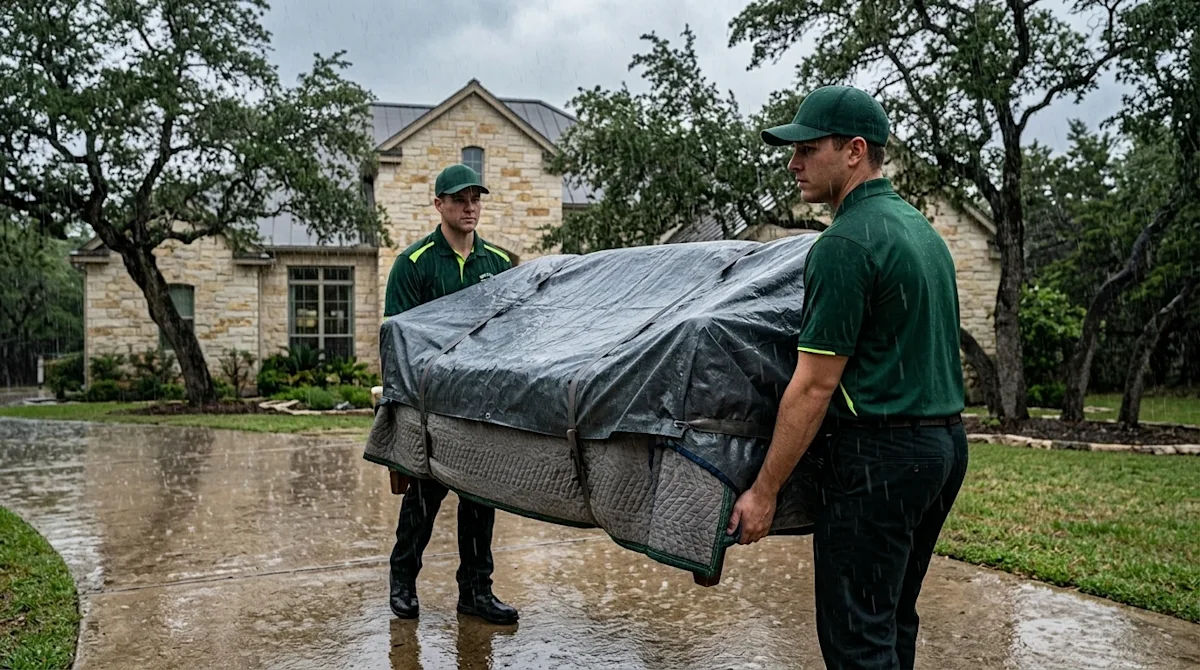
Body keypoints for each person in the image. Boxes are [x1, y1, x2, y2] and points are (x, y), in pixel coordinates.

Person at [727, 86, 969, 670]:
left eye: (808, 149)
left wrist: (764, 491)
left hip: (880, 460)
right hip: (942, 450)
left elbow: (814, 386)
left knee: (856, 639)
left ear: (855, 150)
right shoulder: (920, 231)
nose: (793, 164)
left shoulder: (844, 243)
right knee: (891, 620)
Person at [384, 163, 518, 626]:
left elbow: (513, 335)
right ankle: (403, 581)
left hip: (481, 405)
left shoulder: (497, 263)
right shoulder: (414, 263)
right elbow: (398, 342)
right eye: (459, 199)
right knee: (424, 496)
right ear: (438, 204)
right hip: (433, 407)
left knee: (481, 499)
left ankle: (476, 592)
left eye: (475, 198)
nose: (469, 207)